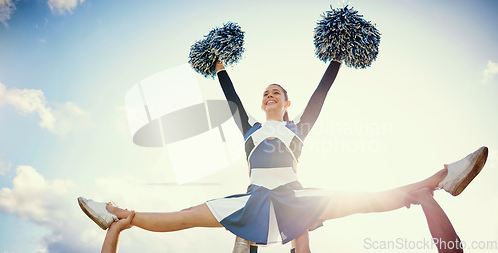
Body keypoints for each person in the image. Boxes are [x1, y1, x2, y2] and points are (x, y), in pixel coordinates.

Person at [78, 58, 488, 253]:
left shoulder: (297, 128)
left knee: (367, 199)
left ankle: (441, 178)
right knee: (184, 216)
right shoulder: (251, 129)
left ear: (287, 102)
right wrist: (220, 68)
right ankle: (119, 217)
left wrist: (337, 58)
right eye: (266, 92)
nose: (269, 95)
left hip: (294, 197)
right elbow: (233, 100)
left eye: (276, 92)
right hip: (253, 198)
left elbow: (321, 95)